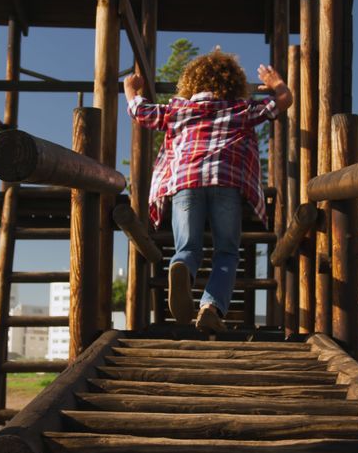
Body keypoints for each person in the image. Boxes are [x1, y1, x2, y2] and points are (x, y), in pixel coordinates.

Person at [125, 49, 292, 334]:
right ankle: (209, 308)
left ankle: (181, 268)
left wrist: (130, 89)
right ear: (233, 84)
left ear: (191, 83)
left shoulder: (177, 110)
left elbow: (140, 112)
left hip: (185, 184)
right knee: (226, 251)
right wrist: (276, 82)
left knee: (187, 247)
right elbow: (284, 101)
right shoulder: (242, 109)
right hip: (226, 185)